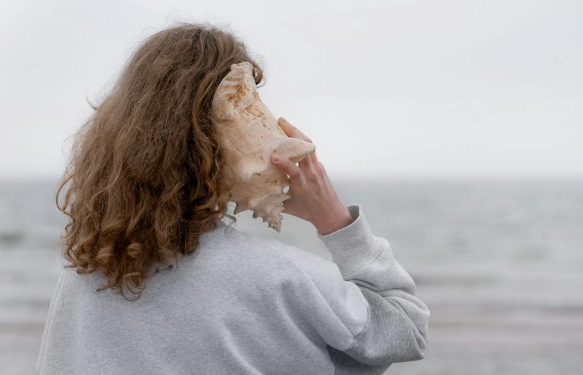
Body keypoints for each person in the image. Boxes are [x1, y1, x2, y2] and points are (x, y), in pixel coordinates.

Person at [37, 23, 430, 375]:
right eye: (249, 104)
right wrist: (336, 221)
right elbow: (406, 330)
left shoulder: (82, 276)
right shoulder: (280, 281)